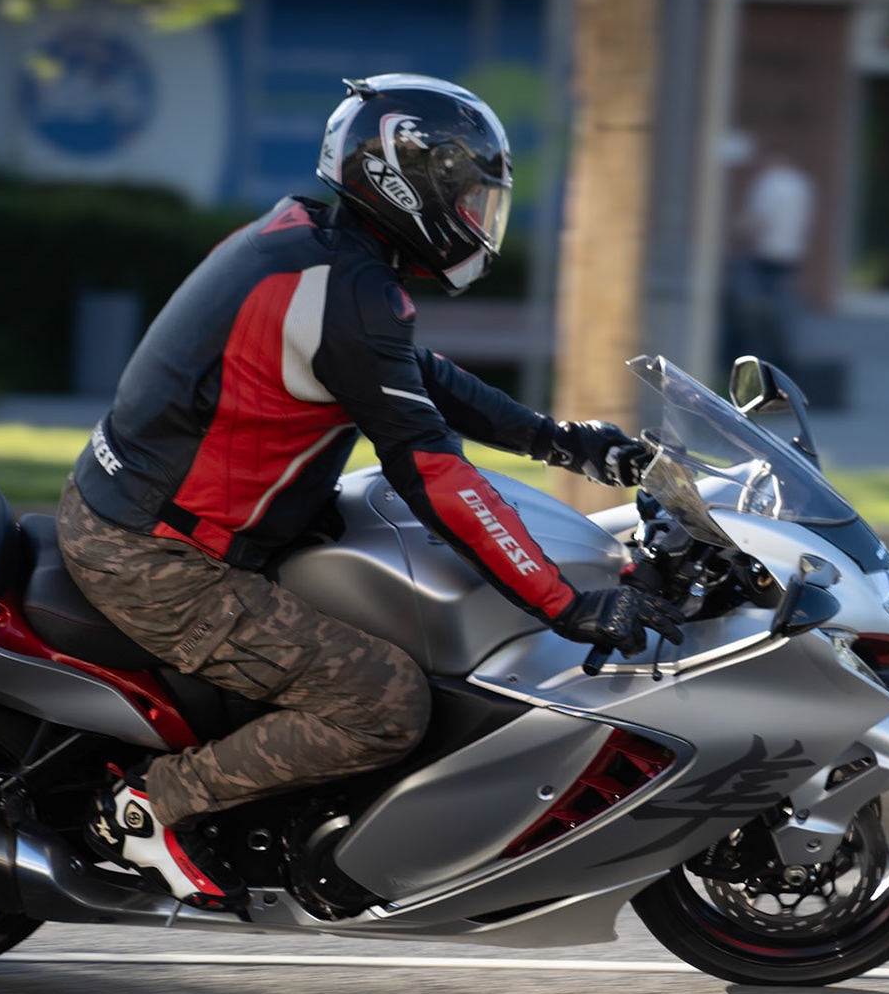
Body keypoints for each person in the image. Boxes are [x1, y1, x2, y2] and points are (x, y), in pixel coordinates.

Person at [64, 74, 683, 908]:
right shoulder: (345, 290)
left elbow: (415, 376)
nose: (475, 218)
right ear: (403, 182)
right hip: (159, 560)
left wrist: (557, 441)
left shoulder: (307, 242)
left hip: (135, 517)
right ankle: (154, 805)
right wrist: (565, 604)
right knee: (382, 702)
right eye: (466, 197)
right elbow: (434, 473)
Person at [727, 148, 814, 366]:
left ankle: (759, 354)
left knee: (756, 307)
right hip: (790, 253)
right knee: (783, 304)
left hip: (764, 253)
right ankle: (785, 352)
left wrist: (738, 234)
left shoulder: (768, 184)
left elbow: (760, 220)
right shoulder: (800, 184)